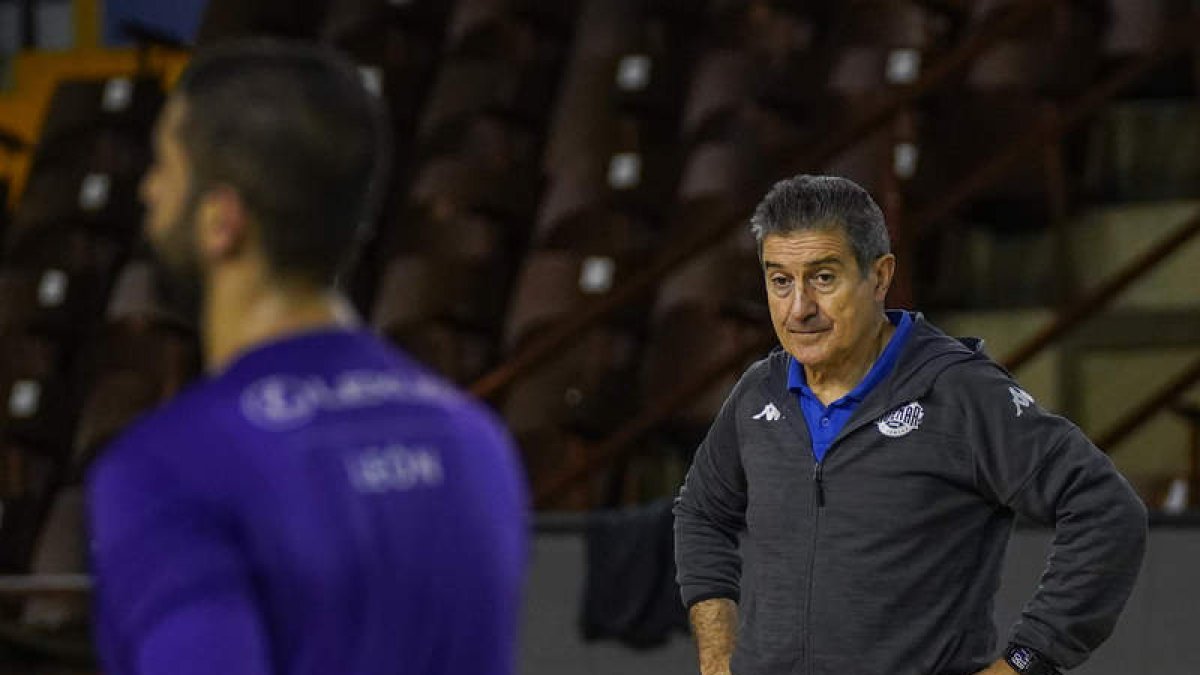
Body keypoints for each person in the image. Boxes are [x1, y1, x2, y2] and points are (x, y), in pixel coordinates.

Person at [86, 40, 529, 675]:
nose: (149, 193)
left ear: (222, 221)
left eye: (164, 166)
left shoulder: (171, 467)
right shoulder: (473, 439)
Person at [673, 175, 1147, 675]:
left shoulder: (959, 392)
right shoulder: (758, 393)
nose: (799, 309)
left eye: (824, 277)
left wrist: (1027, 661)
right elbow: (701, 511)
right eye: (780, 280)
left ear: (879, 277)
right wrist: (716, 653)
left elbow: (1106, 511)